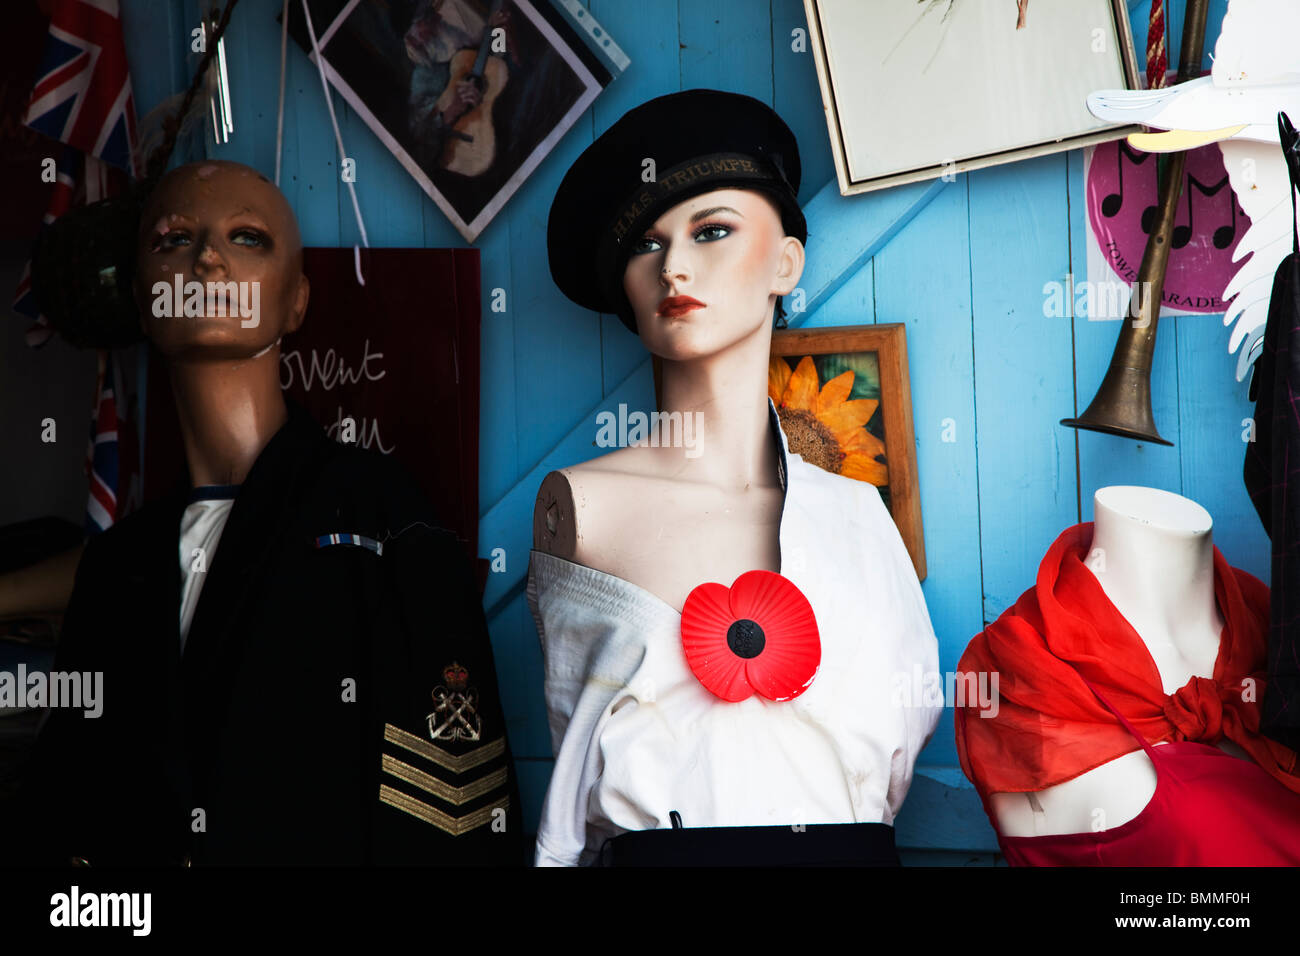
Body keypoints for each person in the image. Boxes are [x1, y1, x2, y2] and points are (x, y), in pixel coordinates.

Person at [2, 160, 522, 866]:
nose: (207, 259)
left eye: (246, 239)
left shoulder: (379, 519)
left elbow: (452, 807)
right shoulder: (119, 566)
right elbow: (65, 821)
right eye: (172, 239)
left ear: (297, 302)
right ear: (140, 297)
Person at [530, 90, 941, 866]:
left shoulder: (857, 517)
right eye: (646, 246)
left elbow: (899, 744)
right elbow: (575, 753)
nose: (675, 266)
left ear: (786, 261)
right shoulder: (583, 506)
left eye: (711, 231)